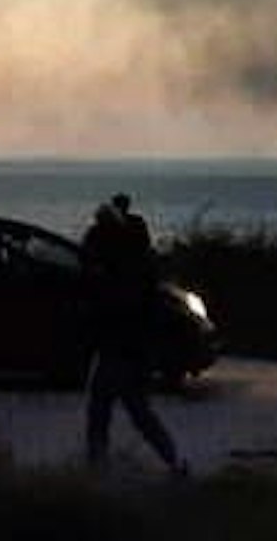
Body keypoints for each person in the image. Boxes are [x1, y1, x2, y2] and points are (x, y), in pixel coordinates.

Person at [79, 197, 186, 475]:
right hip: (132, 346)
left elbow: (114, 304)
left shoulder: (120, 266)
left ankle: (98, 463)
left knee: (107, 408)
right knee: (133, 410)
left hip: (123, 346)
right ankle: (171, 460)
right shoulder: (135, 258)